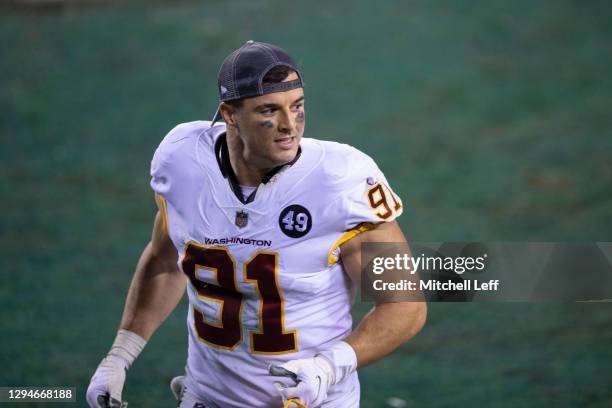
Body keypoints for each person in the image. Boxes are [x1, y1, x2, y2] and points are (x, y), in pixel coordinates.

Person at [86, 40, 427, 408]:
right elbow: (166, 261)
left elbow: (405, 304)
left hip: (311, 401)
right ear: (229, 114)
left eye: (297, 107)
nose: (289, 126)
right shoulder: (183, 161)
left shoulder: (339, 180)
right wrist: (120, 355)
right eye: (269, 110)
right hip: (208, 398)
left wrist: (329, 366)